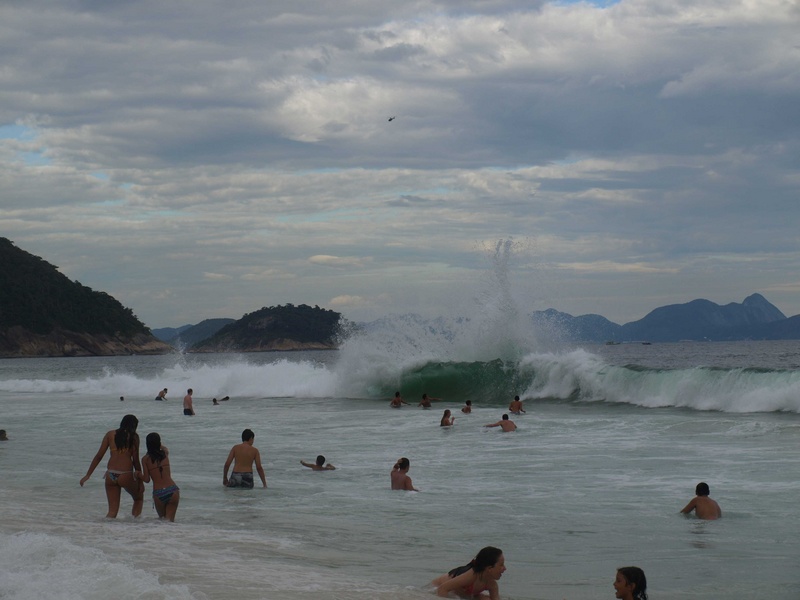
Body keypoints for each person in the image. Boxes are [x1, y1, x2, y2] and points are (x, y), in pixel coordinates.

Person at [79, 414, 144, 518]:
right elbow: (136, 461)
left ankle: (107, 527)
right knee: (138, 498)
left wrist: (88, 475)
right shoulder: (134, 437)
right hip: (125, 474)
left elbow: (99, 456)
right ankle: (134, 524)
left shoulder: (110, 434)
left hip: (110, 475)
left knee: (112, 512)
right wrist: (140, 481)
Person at [431, 546, 506, 600]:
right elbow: (442, 589)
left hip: (463, 593)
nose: (505, 568)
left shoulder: (492, 585)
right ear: (489, 568)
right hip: (435, 587)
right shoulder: (471, 576)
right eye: (501, 565)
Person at [140, 432, 180, 522]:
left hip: (159, 493)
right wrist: (158, 445)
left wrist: (138, 474)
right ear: (159, 442)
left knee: (162, 521)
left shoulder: (145, 459)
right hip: (172, 489)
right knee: (170, 521)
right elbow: (164, 448)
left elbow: (146, 479)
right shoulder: (164, 453)